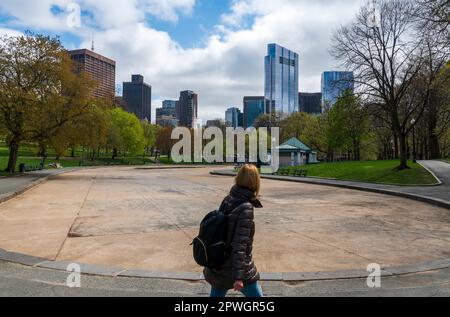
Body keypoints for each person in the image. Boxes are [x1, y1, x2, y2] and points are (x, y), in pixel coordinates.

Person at [204, 164, 264, 297]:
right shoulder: (246, 207)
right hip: (236, 268)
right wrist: (238, 277)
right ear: (254, 181)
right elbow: (240, 245)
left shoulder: (228, 199)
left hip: (219, 263)